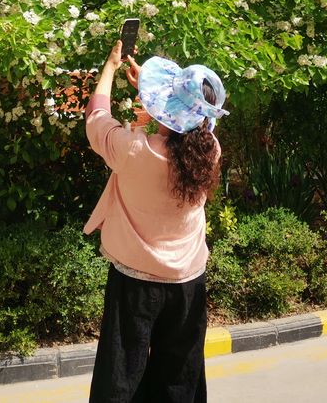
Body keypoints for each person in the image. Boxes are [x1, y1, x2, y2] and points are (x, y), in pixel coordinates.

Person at [84, 40, 228, 403]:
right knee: (180, 375)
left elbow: (96, 116)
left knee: (121, 374)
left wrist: (111, 68)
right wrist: (152, 100)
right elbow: (196, 124)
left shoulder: (133, 148)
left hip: (134, 281)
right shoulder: (209, 151)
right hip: (188, 281)